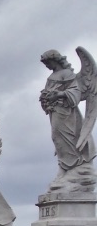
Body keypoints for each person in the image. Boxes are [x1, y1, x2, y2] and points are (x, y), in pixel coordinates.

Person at [39, 49, 95, 186]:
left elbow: (74, 92)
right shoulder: (53, 75)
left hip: (66, 112)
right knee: (56, 138)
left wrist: (58, 95)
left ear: (55, 60)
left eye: (48, 63)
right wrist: (44, 97)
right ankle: (64, 168)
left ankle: (74, 167)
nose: (47, 66)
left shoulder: (67, 74)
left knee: (66, 137)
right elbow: (49, 91)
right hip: (54, 110)